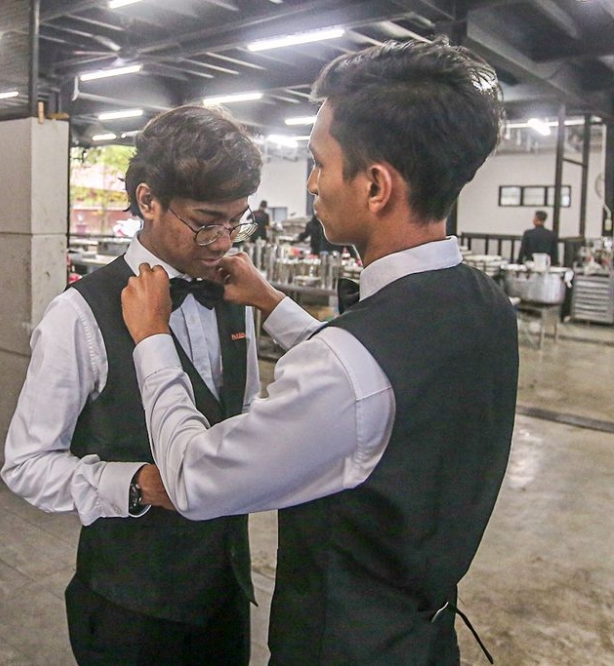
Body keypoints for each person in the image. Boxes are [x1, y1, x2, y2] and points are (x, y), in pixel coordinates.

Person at [122, 38, 518, 664]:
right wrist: (272, 302)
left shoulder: (349, 368)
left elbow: (194, 477)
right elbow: (375, 396)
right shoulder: (484, 308)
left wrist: (151, 340)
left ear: (376, 185)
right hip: (424, 637)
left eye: (319, 163)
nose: (310, 183)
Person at [2, 105, 263, 665]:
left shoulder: (236, 294)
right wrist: (137, 484)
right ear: (147, 201)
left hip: (225, 587)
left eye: (238, 221)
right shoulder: (79, 314)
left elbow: (242, 411)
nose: (222, 241)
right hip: (129, 605)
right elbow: (25, 465)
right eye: (206, 220)